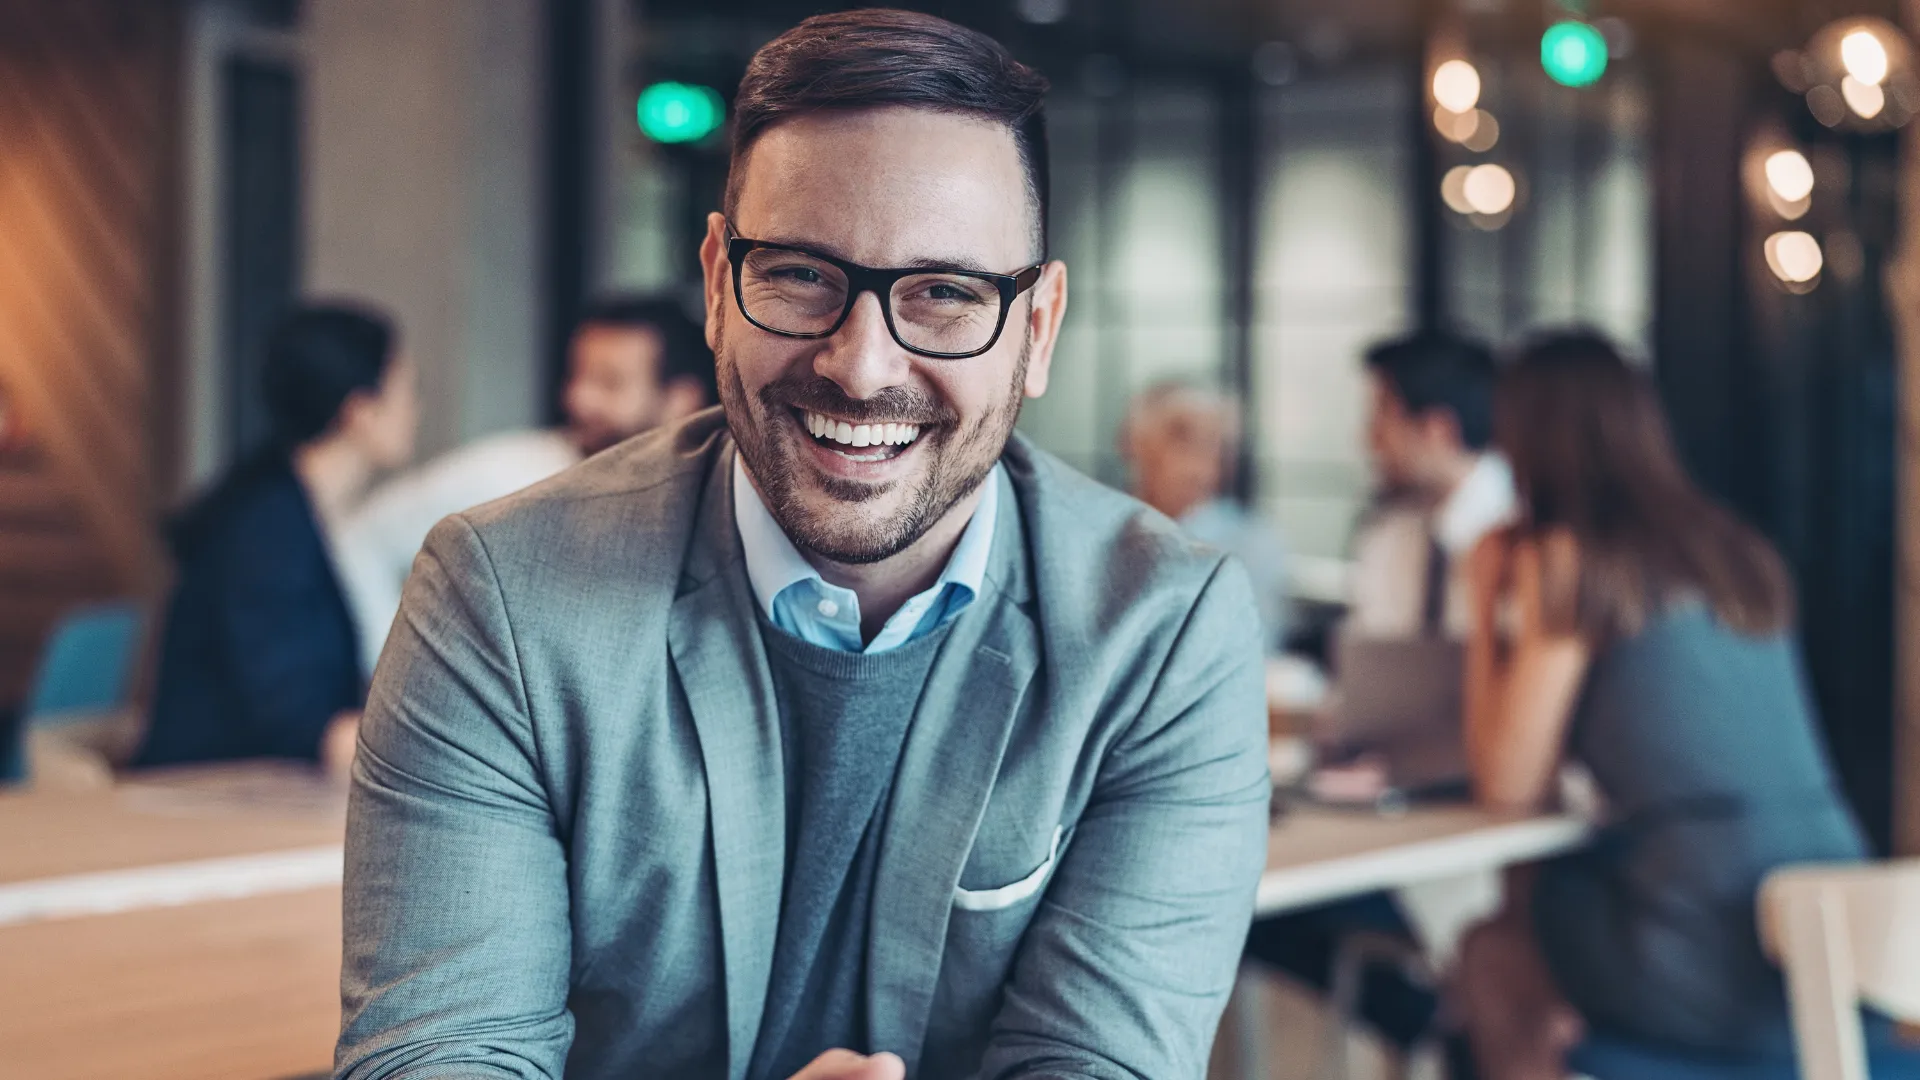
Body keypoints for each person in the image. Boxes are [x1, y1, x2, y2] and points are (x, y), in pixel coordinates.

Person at [335, 11, 1270, 1080]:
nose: (862, 364)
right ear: (716, 284)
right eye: (797, 275)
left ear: (1039, 328)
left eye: (945, 294)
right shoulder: (502, 597)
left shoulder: (1161, 633)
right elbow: (442, 1059)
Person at [1456, 331, 1875, 1078]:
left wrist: (1486, 593)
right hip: (1840, 938)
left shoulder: (1568, 556)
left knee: (1495, 949)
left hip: (1699, 935)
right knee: (1545, 904)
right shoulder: (1735, 549)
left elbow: (1507, 783)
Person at [334, 296, 712, 676]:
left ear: (681, 399)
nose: (579, 398)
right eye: (577, 376)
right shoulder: (508, 472)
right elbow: (363, 537)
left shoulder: (710, 507)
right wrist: (397, 676)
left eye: (609, 383)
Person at [136, 303, 417, 775]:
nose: (415, 410)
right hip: (208, 808)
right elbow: (299, 725)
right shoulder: (265, 529)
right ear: (360, 410)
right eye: (408, 391)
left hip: (255, 797)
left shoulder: (288, 509)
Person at [1349, 332, 1515, 639]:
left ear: (1437, 430)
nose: (1369, 440)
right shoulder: (1391, 534)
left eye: (1381, 417)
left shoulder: (1524, 536)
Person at [1121, 380, 1290, 652]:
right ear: (1132, 441)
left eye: (1215, 443)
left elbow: (1256, 649)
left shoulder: (1253, 543)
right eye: (1181, 437)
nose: (1198, 458)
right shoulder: (1095, 533)